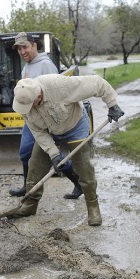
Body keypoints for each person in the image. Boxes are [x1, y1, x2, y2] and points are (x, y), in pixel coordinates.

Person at [2, 75, 125, 226]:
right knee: (35, 165)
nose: (28, 108)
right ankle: (29, 205)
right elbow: (39, 133)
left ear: (38, 95)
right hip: (50, 131)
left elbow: (97, 83)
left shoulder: (60, 86)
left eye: (31, 104)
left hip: (75, 126)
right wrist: (54, 154)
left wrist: (112, 104)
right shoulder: (25, 104)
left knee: (83, 166)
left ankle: (93, 207)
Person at [9, 32, 83, 200]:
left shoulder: (46, 65)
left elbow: (57, 93)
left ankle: (78, 182)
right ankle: (27, 186)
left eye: (25, 47)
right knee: (25, 152)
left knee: (53, 154)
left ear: (35, 45)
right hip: (33, 118)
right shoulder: (26, 67)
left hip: (48, 119)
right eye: (19, 49)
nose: (22, 51)